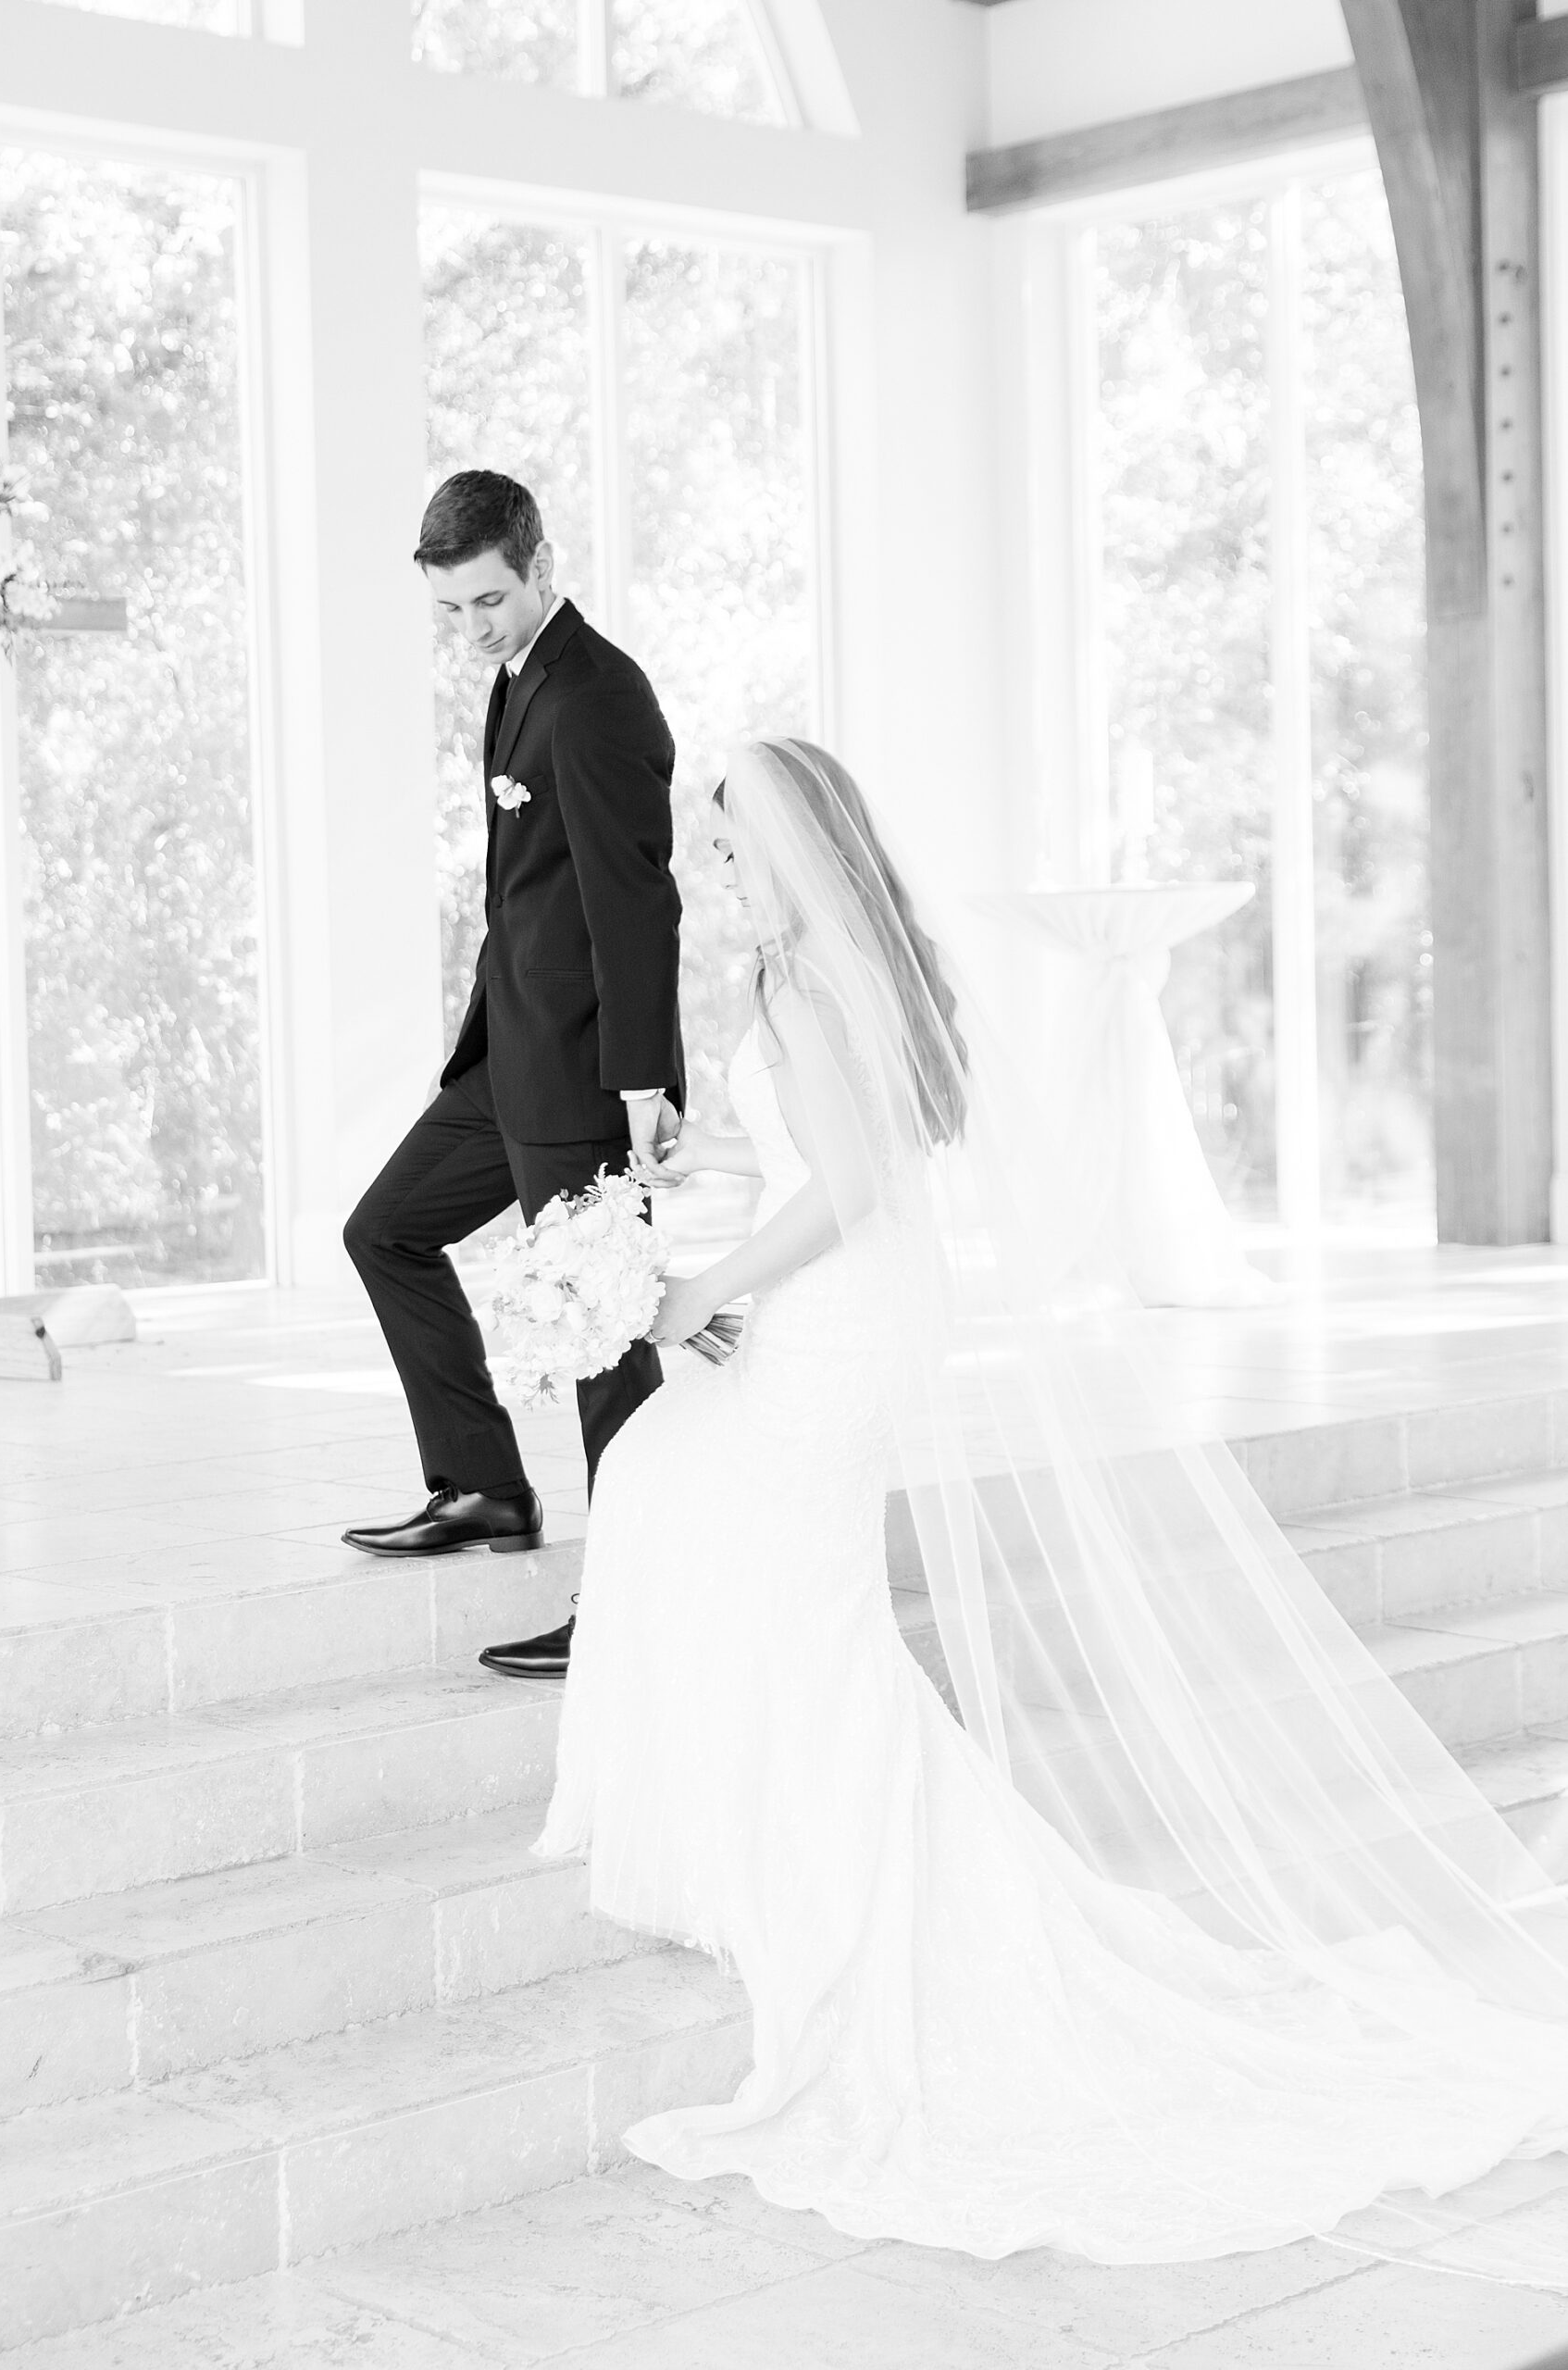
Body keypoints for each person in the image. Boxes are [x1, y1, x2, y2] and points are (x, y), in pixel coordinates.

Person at [534, 735, 1568, 2276]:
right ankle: (727, 1829)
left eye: (734, 854)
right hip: (849, 1315)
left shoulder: (802, 982)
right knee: (682, 1498)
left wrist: (699, 1290)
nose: (718, 877)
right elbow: (853, 1153)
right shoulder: (854, 964)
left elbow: (862, 1174)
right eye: (714, 855)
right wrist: (691, 1202)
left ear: (797, 855)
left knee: (724, 1536)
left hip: (823, 1317)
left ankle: (792, 1872)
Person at [342, 472, 683, 1683]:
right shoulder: (516, 679)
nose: (473, 629)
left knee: (602, 1342)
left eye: (488, 600)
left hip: (584, 1072)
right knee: (384, 1231)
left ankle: (636, 1597)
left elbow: (635, 902)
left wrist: (644, 1083)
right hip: (509, 1057)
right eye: (452, 611)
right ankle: (485, 1487)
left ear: (543, 565)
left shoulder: (594, 698)